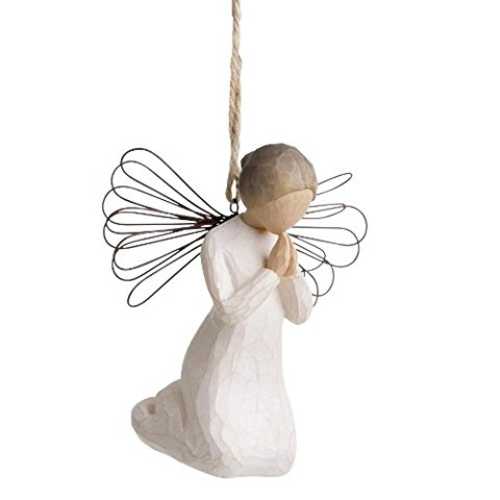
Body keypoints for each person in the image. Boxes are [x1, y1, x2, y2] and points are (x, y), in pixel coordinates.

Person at [132, 144, 317, 477]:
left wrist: (291, 276)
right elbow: (228, 312)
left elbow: (300, 315)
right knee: (225, 460)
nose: (295, 219)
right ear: (259, 200)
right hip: (219, 361)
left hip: (264, 367)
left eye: (302, 208)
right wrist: (270, 273)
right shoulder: (219, 242)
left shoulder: (278, 241)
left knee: (280, 459)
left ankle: (196, 415)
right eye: (289, 209)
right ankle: (177, 411)